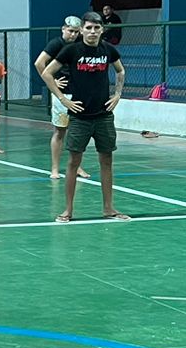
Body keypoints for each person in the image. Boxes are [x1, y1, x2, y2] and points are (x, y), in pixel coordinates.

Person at [40, 12, 129, 223]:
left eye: (96, 28)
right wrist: (62, 98)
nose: (92, 32)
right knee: (73, 161)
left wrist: (117, 94)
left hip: (103, 115)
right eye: (88, 28)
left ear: (102, 30)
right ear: (82, 30)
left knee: (106, 159)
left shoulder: (108, 50)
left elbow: (120, 71)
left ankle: (108, 208)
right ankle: (68, 210)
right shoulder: (71, 50)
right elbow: (47, 73)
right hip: (80, 116)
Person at [36, 16, 90, 181]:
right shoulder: (56, 44)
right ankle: (54, 168)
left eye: (76, 32)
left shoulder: (81, 44)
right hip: (63, 93)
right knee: (60, 131)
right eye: (70, 31)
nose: (73, 35)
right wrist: (51, 80)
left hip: (79, 92)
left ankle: (77, 166)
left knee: (78, 132)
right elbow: (39, 63)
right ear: (63, 29)